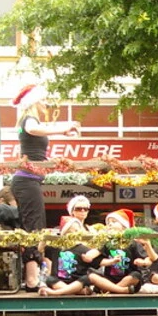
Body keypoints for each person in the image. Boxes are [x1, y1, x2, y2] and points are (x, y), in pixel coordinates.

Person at [10, 83, 80, 291]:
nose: (45, 104)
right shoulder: (28, 120)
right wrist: (64, 127)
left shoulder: (32, 121)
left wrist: (63, 133)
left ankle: (34, 276)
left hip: (31, 180)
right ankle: (31, 279)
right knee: (34, 227)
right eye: (42, 100)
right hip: (26, 181)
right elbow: (33, 129)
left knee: (35, 226)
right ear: (33, 102)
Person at [37, 216, 118, 296]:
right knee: (50, 279)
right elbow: (40, 249)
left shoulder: (83, 249)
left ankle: (58, 292)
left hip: (77, 281)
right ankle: (75, 291)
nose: (74, 233)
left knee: (87, 278)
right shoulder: (56, 247)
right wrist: (44, 238)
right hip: (59, 281)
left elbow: (99, 261)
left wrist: (112, 261)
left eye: (77, 230)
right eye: (71, 231)